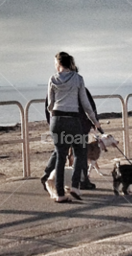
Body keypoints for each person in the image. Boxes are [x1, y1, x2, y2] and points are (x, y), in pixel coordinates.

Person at [43, 51, 99, 202]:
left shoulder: (52, 79)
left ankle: (60, 194)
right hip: (73, 120)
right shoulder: (78, 79)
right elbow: (85, 104)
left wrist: (55, 114)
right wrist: (94, 120)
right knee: (80, 153)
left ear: (59, 64)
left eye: (56, 63)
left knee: (60, 157)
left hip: (57, 120)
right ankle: (75, 186)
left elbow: (50, 104)